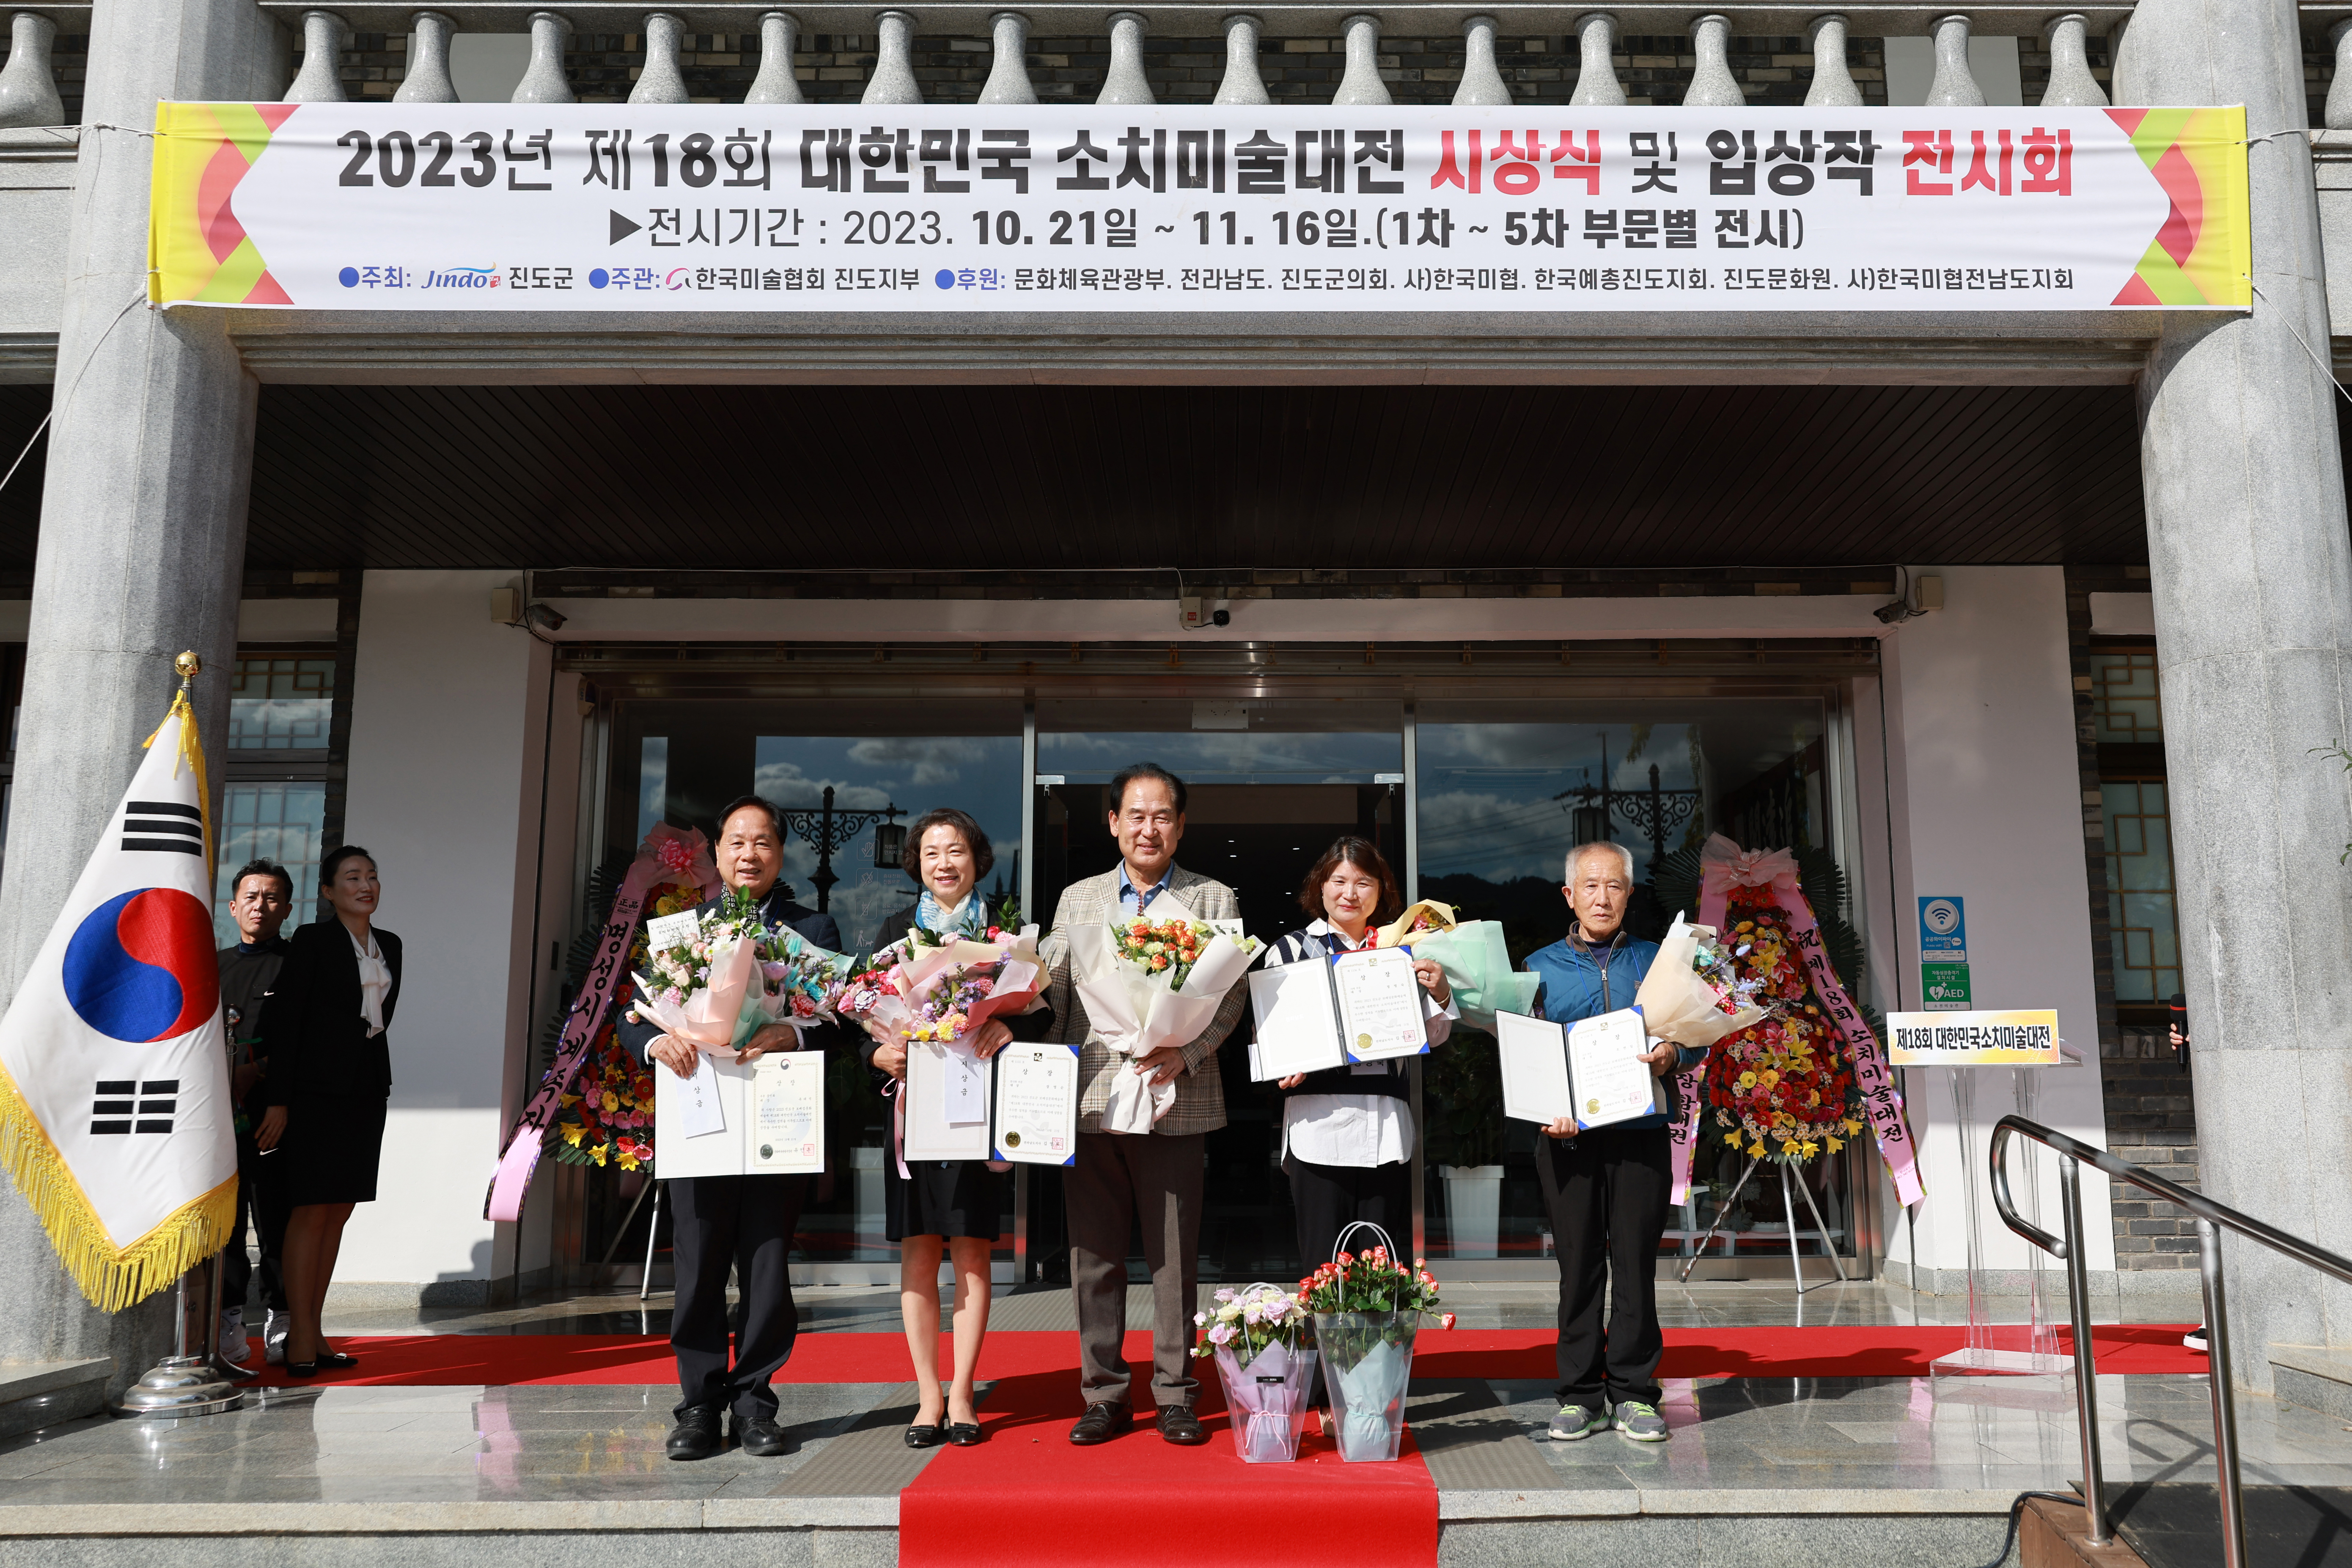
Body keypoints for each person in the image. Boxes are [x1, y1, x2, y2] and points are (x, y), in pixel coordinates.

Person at [616, 796, 846, 1462]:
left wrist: (792, 1030)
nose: (750, 853)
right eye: (737, 841)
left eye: (764, 841)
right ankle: (698, 1404)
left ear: (781, 853)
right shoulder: (680, 930)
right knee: (698, 1265)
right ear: (717, 853)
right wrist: (655, 1046)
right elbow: (634, 1015)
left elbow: (842, 1019)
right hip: (702, 1119)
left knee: (768, 1266)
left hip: (776, 1117)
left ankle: (754, 1402)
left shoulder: (813, 928)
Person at [1040, 762, 1249, 1447]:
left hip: (1176, 1097)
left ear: (1180, 825)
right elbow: (1055, 996)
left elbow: (1230, 999)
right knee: (1092, 1256)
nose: (1148, 827)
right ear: (1113, 823)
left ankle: (1175, 1393)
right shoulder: (1078, 899)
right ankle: (1102, 1392)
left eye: (1162, 815)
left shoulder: (1213, 898)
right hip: (1094, 1097)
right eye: (1136, 814)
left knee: (1173, 1256)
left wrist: (1182, 1054)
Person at [858, 807, 1048, 1449]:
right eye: (933, 851)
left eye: (957, 850)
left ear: (978, 859)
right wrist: (875, 1052)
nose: (945, 862)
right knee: (918, 1250)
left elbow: (1043, 1010)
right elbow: (857, 1014)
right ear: (917, 862)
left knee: (970, 1251)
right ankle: (927, 1396)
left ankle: (965, 1391)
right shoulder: (892, 933)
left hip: (975, 1113)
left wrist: (1011, 1025)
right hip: (914, 1114)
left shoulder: (1003, 936)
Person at [1264, 836, 1456, 1428]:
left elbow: (1436, 1034)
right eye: (1340, 881)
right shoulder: (1290, 950)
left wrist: (1440, 991)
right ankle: (1325, 1397)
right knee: (1323, 1265)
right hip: (1319, 1128)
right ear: (1320, 886)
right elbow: (1271, 1029)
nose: (1351, 892)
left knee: (1381, 1263)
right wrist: (1282, 1058)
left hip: (1384, 1129)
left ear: (1382, 893)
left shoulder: (1402, 950)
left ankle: (1374, 1390)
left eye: (1364, 883)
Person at [1522, 840, 1702, 1445]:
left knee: (1635, 1263)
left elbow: (1696, 1034)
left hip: (1641, 1134)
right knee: (1577, 1267)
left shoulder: (1658, 962)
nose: (1603, 896)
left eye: (1615, 885)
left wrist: (1673, 1052)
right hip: (1567, 1140)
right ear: (1569, 895)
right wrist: (1550, 1109)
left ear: (1630, 893)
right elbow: (1525, 1054)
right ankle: (1578, 1394)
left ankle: (1633, 1393)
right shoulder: (1536, 967)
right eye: (1591, 885)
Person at [255, 846, 401, 1380]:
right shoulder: (314, 942)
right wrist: (279, 1097)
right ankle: (298, 1334)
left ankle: (315, 1332)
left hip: (366, 1089)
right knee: (310, 1208)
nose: (366, 885)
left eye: (373, 875)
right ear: (329, 890)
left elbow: (380, 1020)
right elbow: (288, 1021)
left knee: (340, 1208)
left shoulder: (392, 946)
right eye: (353, 877)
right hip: (314, 1091)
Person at [216, 859, 296, 1370]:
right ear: (233, 906)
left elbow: (308, 1039)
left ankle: (283, 1317)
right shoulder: (211, 965)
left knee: (276, 1218)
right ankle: (226, 1320)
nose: (259, 905)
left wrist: (259, 1070)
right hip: (217, 1115)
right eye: (251, 896)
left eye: (271, 897)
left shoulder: (300, 964)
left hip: (274, 1113)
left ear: (287, 908)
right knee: (224, 1223)